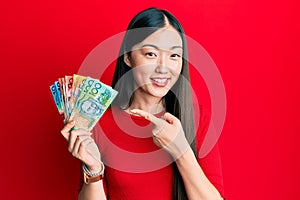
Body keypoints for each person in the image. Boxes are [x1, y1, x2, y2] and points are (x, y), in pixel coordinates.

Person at [61, 7, 225, 200]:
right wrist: (94, 170)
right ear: (128, 58)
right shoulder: (99, 121)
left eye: (174, 56)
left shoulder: (198, 118)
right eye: (151, 54)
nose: (163, 68)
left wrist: (180, 150)